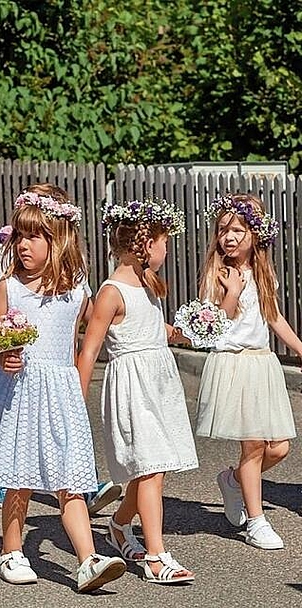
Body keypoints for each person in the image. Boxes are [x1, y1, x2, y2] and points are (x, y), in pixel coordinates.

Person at [0, 190, 126, 592]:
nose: (22, 245)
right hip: (21, 392)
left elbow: (94, 326)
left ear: (58, 239)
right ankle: (11, 550)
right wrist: (0, 356)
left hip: (61, 392)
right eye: (19, 236)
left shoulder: (77, 291)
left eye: (33, 237)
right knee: (19, 477)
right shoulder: (10, 287)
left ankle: (88, 559)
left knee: (70, 479)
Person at [77, 197, 198, 584]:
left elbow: (146, 328)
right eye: (163, 242)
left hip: (158, 382)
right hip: (132, 387)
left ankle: (118, 524)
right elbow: (90, 348)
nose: (166, 250)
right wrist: (76, 401)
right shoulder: (111, 292)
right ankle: (156, 556)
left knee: (153, 468)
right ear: (144, 246)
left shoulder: (146, 285)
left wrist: (180, 333)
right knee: (149, 471)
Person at [195, 193, 302, 550]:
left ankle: (233, 479)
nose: (229, 237)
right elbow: (213, 324)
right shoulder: (217, 273)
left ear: (255, 235)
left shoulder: (262, 272)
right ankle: (256, 521)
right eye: (224, 229)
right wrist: (231, 293)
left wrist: (300, 348)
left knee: (280, 447)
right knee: (254, 444)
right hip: (233, 364)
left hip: (261, 362)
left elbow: (272, 316)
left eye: (238, 230)